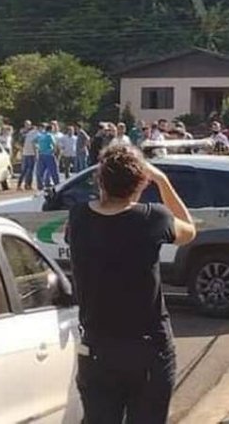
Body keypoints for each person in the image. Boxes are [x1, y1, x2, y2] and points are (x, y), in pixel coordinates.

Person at [67, 145, 197, 422]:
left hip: (98, 348)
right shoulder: (153, 217)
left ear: (100, 180)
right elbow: (189, 229)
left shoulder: (78, 217)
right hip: (148, 348)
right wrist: (162, 180)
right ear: (141, 182)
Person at [36, 123, 60, 189]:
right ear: (51, 129)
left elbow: (34, 142)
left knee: (40, 171)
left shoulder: (41, 135)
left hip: (41, 154)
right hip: (49, 154)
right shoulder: (50, 135)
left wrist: (38, 149)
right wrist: (54, 151)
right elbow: (54, 144)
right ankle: (57, 184)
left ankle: (40, 185)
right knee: (53, 170)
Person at [17, 120, 38, 191]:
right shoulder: (22, 132)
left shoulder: (33, 132)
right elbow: (19, 142)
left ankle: (28, 185)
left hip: (32, 153)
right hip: (25, 153)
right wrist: (20, 149)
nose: (27, 126)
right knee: (24, 170)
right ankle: (19, 185)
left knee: (31, 170)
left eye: (29, 124)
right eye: (26, 124)